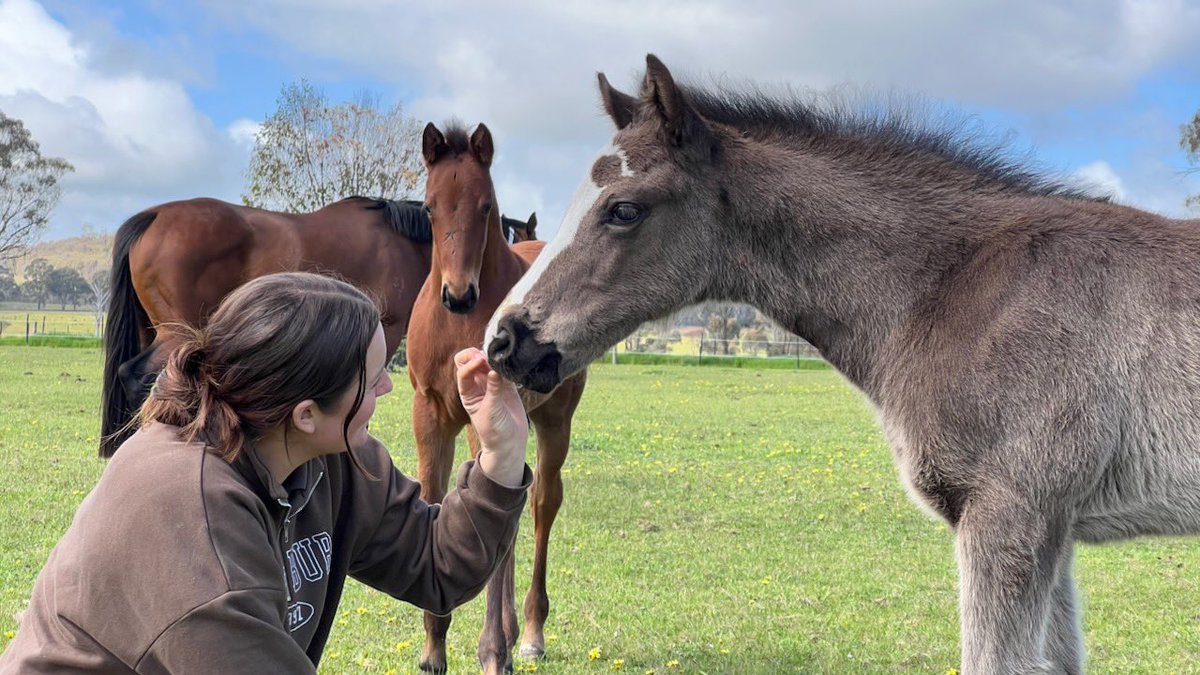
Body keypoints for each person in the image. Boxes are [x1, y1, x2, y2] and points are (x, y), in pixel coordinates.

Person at [0, 272, 531, 674]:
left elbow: (436, 564)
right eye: (371, 382)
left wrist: (501, 452)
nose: (387, 390)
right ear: (305, 414)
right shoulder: (188, 515)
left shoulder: (327, 456)